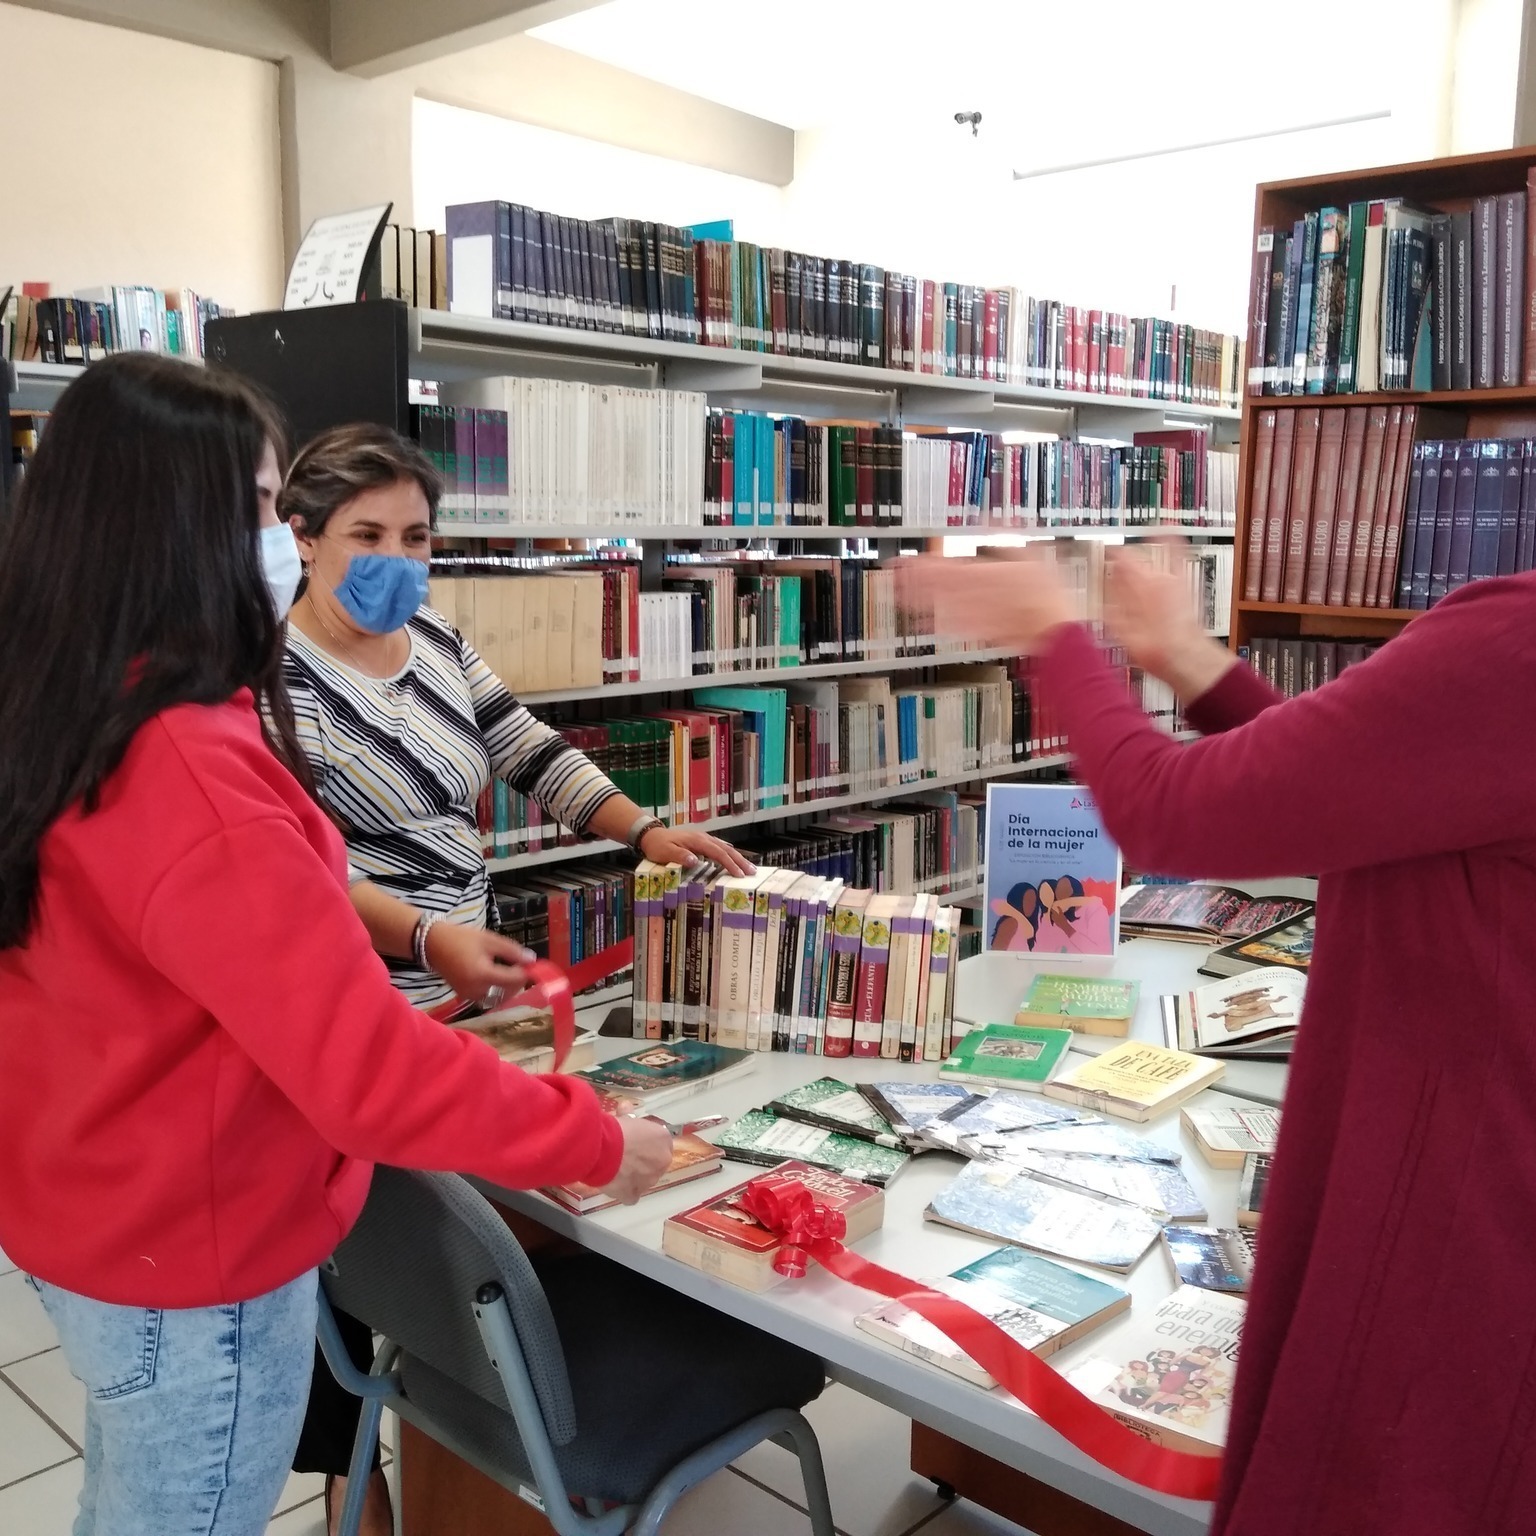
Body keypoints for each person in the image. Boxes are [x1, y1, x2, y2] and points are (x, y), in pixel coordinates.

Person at [0, 354, 674, 1536]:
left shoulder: (66, 703)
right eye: (267, 506)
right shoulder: (191, 766)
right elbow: (365, 1071)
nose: (282, 533)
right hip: (190, 1256)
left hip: (96, 1210)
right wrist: (595, 1137)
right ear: (182, 528)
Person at [910, 542, 1536, 1536]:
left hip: (1447, 1242)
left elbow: (1170, 814)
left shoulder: (1515, 641)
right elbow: (1383, 786)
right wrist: (1188, 661)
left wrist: (1055, 637)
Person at [276, 423, 752, 1532]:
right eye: (366, 535)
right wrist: (424, 936)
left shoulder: (436, 643)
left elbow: (531, 749)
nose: (396, 557)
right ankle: (360, 1469)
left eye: (416, 534)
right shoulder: (267, 682)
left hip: (473, 1008)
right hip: (359, 1008)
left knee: (489, 1222)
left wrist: (643, 830)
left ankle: (486, 1416)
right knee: (356, 1244)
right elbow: (294, 874)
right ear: (303, 539)